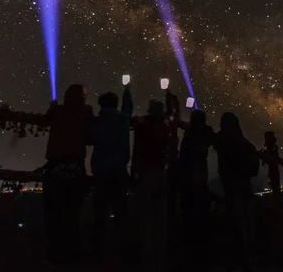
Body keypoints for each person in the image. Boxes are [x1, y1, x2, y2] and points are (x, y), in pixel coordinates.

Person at [42, 84, 93, 267]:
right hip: (76, 167)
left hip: (56, 166)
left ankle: (53, 256)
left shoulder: (57, 111)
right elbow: (89, 136)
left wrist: (53, 107)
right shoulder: (86, 111)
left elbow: (47, 119)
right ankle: (71, 256)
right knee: (72, 214)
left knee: (53, 214)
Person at [87, 84, 133, 256]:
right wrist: (127, 91)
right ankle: (119, 249)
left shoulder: (96, 122)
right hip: (119, 171)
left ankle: (99, 250)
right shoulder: (123, 120)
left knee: (100, 213)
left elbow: (89, 139)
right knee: (120, 212)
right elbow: (128, 108)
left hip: (101, 172)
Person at [131, 100, 175, 272]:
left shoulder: (142, 127)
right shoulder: (166, 127)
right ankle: (161, 261)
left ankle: (147, 260)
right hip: (161, 175)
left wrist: (134, 172)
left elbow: (137, 150)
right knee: (161, 221)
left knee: (147, 220)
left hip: (146, 175)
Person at [213, 112, 259, 272]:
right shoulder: (245, 144)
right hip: (244, 186)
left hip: (233, 187)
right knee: (247, 221)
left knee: (238, 223)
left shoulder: (223, 141)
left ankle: (242, 260)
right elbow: (254, 170)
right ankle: (249, 259)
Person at [177, 109, 214, 268]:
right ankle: (203, 258)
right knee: (202, 221)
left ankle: (192, 258)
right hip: (201, 181)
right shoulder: (205, 134)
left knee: (190, 221)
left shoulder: (191, 137)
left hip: (190, 183)